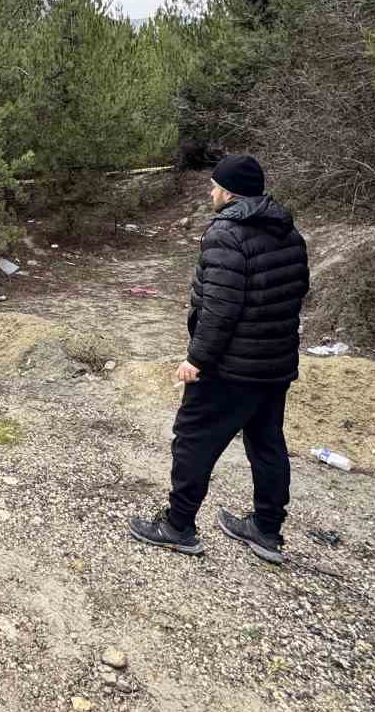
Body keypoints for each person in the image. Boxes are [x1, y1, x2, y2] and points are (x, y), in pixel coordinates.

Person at [129, 154, 309, 564]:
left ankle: (178, 526)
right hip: (275, 363)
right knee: (267, 444)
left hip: (230, 367)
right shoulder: (288, 231)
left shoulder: (226, 234)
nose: (211, 191)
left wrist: (196, 360)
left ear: (229, 193)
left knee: (193, 439)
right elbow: (297, 291)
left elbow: (219, 309)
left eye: (215, 186)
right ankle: (266, 530)